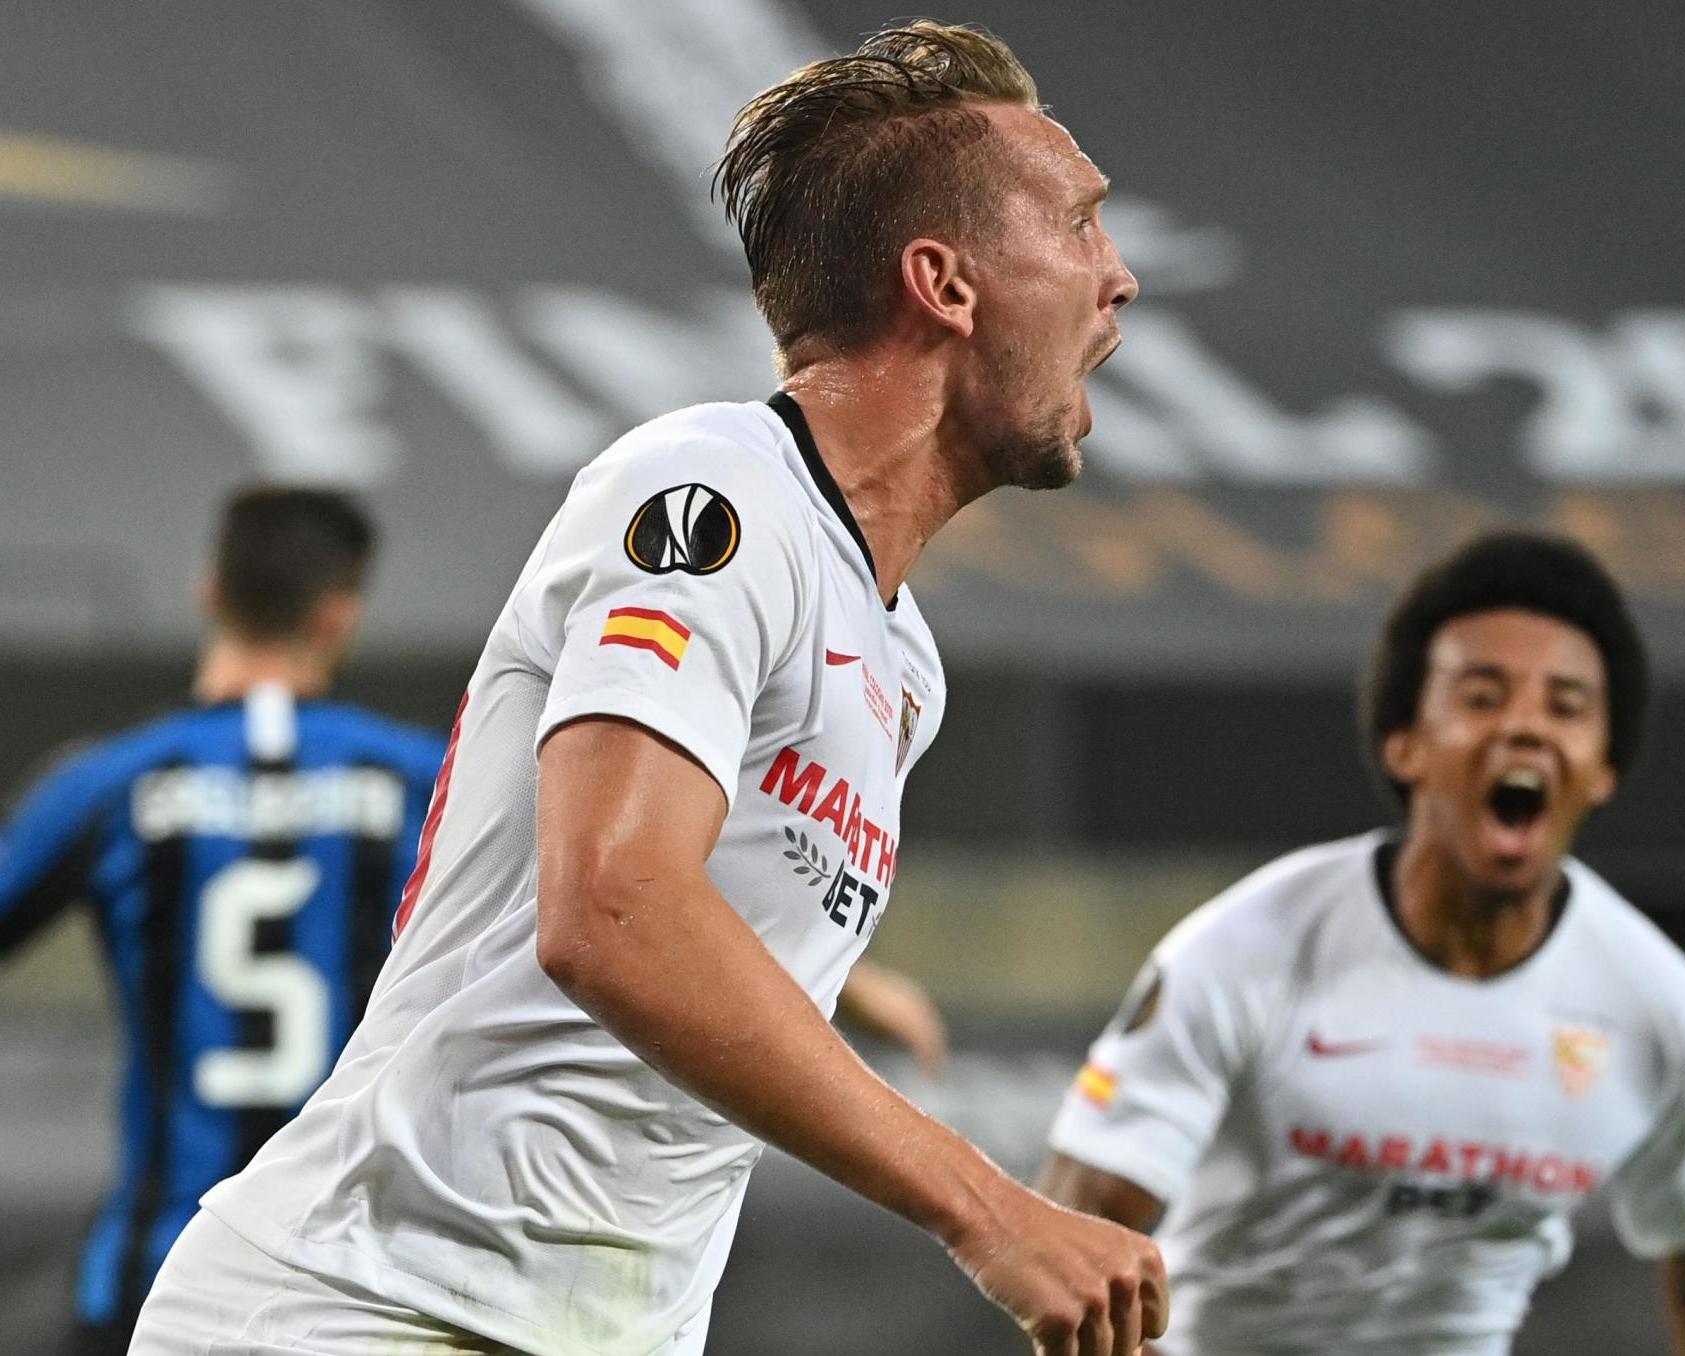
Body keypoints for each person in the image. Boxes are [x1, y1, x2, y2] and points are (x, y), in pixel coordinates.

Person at [134, 21, 1165, 1356]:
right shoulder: (711, 493)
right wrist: (985, 1207)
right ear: (947, 285)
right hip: (366, 1310)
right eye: (1080, 223)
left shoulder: (903, 664)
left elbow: (681, 909)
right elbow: (614, 910)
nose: (1120, 277)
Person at [1039, 532, 1685, 1356]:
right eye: (1484, 695)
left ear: (1604, 767)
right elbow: (1078, 1221)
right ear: (1407, 744)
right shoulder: (1244, 949)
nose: (1527, 728)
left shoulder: (1669, 1012)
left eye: (1566, 705)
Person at [0, 486, 444, 1356]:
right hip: (360, 1285)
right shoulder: (426, 784)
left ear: (210, 591)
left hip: (156, 1277)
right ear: (338, 615)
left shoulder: (112, 782)